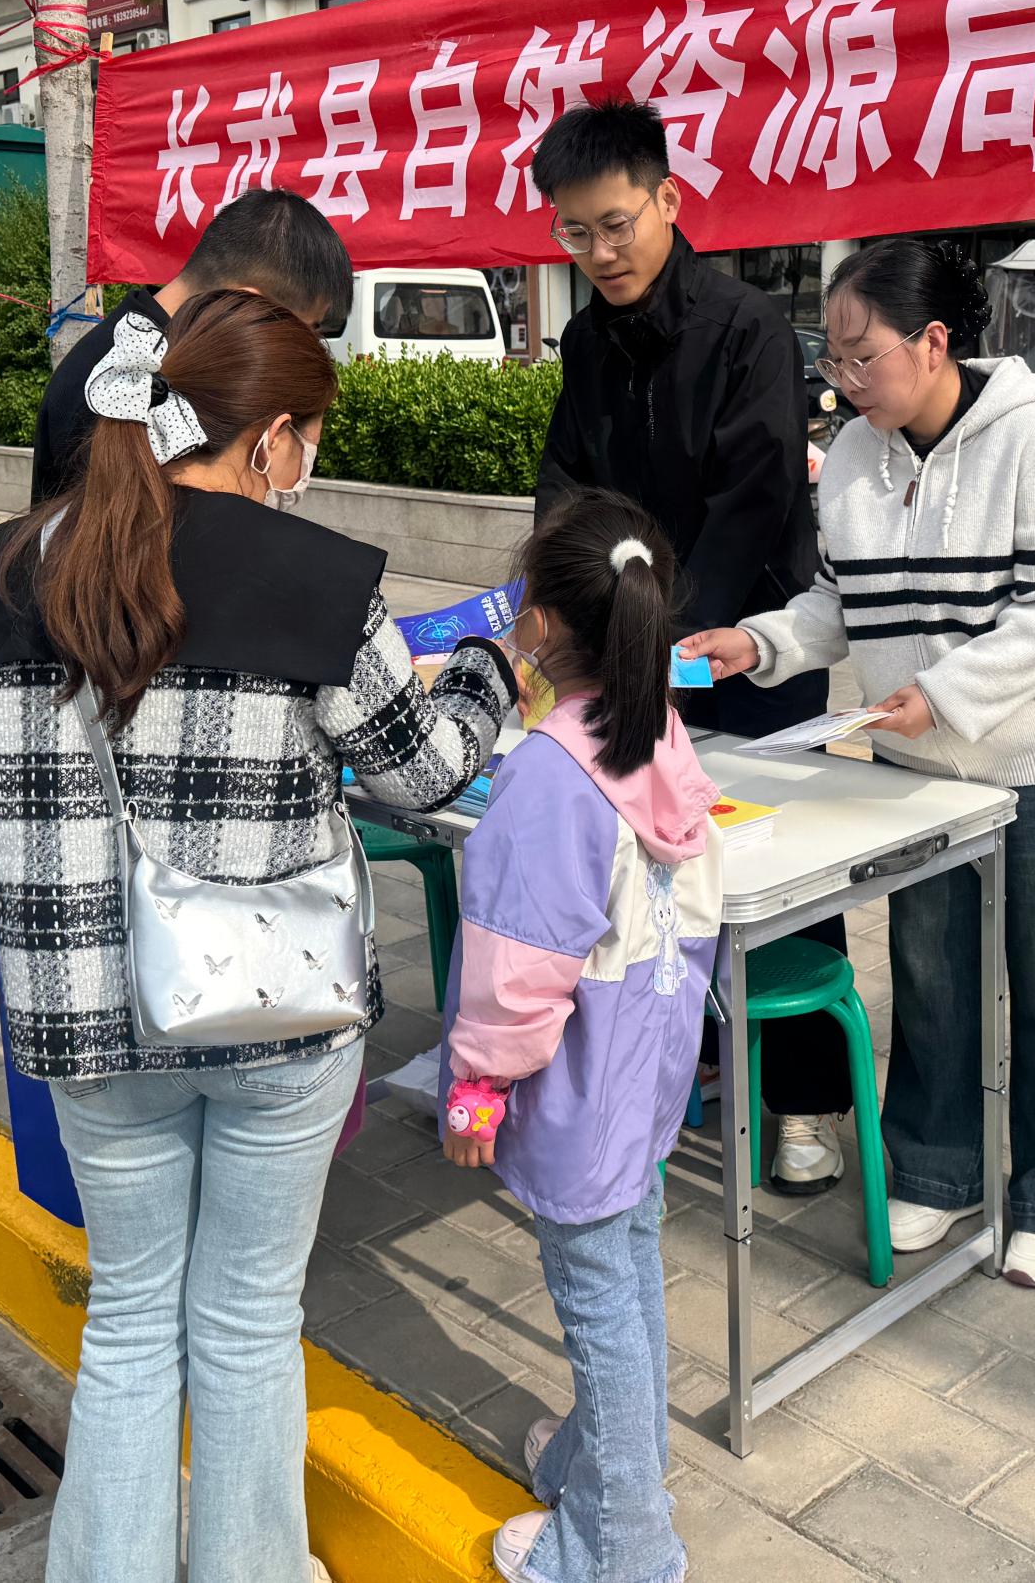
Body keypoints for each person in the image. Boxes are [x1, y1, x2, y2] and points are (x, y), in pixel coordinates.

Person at [0, 291, 515, 1583]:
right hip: (274, 1012)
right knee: (249, 1321)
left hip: (85, 1018)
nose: (307, 467)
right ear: (273, 440)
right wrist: (488, 665)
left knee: (130, 1319)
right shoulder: (317, 578)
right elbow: (424, 772)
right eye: (309, 441)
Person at [682, 240, 1035, 1291]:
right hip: (918, 767)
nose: (843, 380)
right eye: (832, 361)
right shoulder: (853, 455)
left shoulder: (1033, 437)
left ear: (932, 343)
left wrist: (949, 693)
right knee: (931, 975)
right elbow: (837, 603)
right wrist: (759, 642)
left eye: (860, 355)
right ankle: (935, 1167)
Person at [529, 95, 853, 1196]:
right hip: (640, 643)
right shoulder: (586, 338)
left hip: (750, 643)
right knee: (661, 857)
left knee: (779, 864)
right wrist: (560, 599)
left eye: (616, 224)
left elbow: (754, 501)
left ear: (668, 199)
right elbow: (570, 483)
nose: (599, 252)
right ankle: (703, 1049)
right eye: (575, 232)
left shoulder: (745, 327)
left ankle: (802, 1098)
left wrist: (666, 638)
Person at [441, 488, 712, 1583]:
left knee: (599, 1304)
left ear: (541, 625)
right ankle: (599, 1467)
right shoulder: (658, 736)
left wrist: (474, 1093)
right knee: (630, 1272)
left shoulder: (550, 772)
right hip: (644, 1074)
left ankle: (625, 1546)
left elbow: (514, 970)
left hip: (577, 1088)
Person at [30, 187, 354, 502]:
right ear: (244, 302)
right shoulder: (116, 383)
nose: (303, 348)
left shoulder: (154, 352)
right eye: (306, 330)